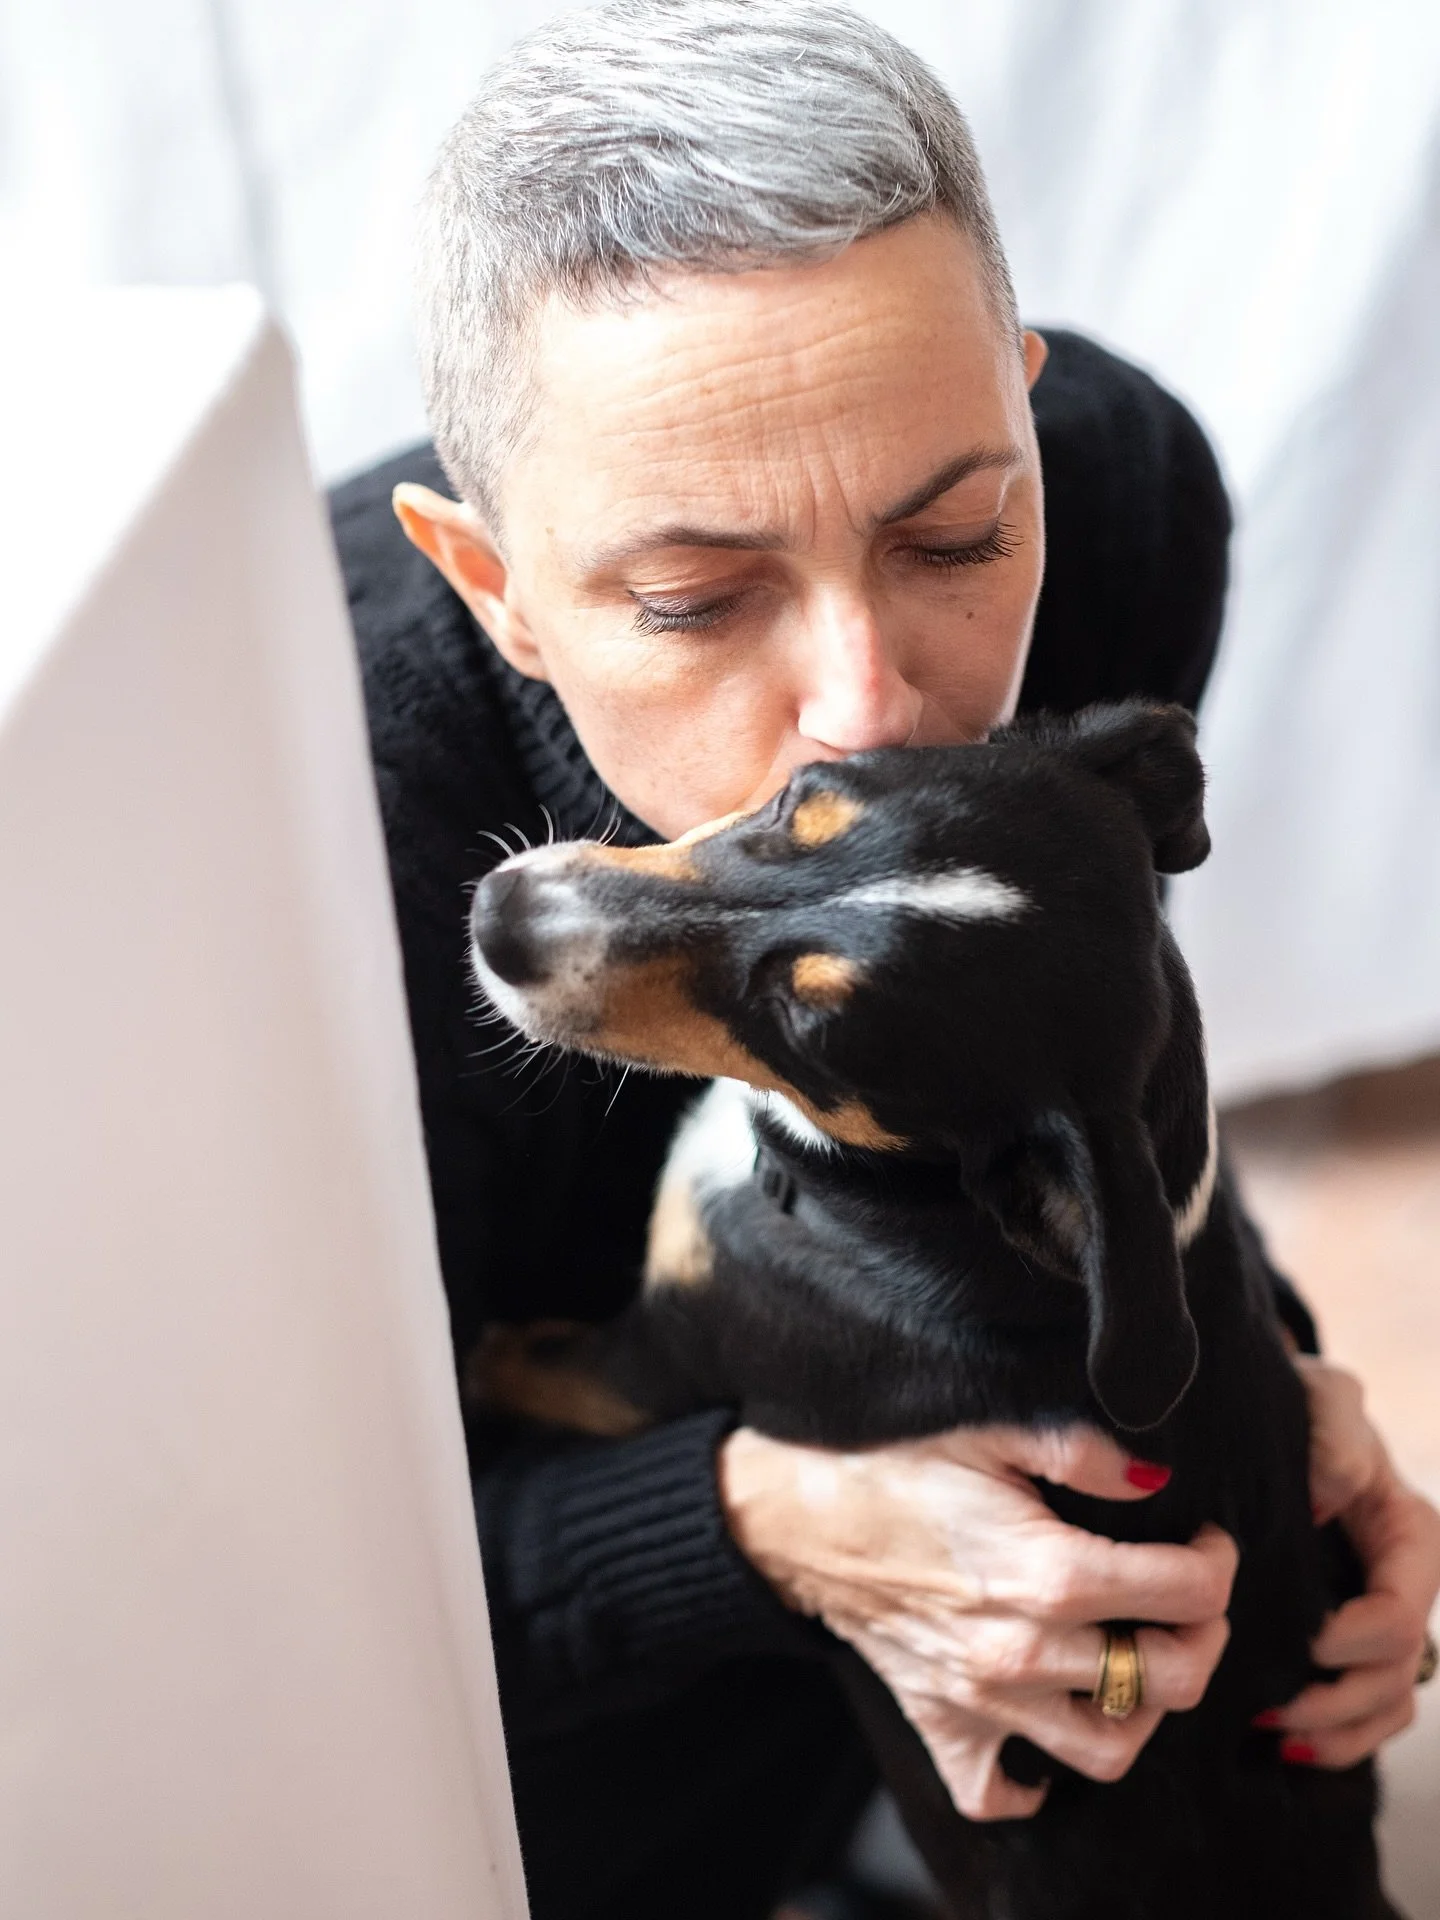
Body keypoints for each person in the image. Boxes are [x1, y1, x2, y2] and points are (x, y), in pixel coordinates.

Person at [328, 4, 1440, 1915]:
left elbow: (1064, 1060)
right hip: (553, 1750)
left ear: (1017, 412)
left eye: (956, 536)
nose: (872, 712)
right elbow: (268, 1601)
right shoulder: (302, 813)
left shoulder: (1119, 494)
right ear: (489, 581)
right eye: (696, 601)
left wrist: (1269, 1382)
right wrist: (763, 1531)